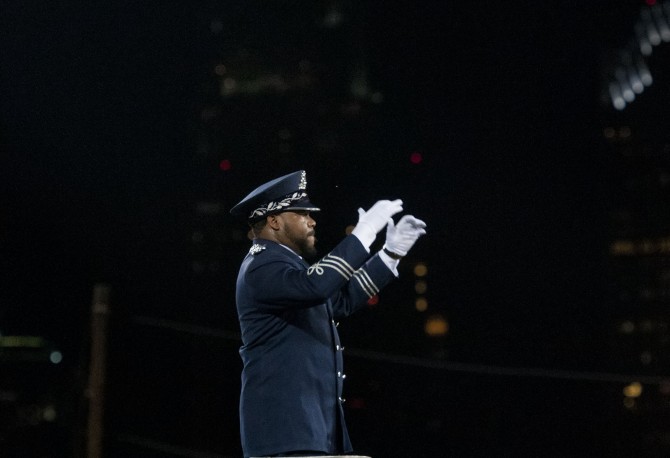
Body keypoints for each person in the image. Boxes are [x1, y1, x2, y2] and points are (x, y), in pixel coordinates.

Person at [230, 170, 426, 458]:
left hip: (310, 432)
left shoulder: (287, 267)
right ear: (274, 221)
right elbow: (317, 287)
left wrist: (390, 254)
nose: (312, 221)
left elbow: (340, 300)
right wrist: (364, 233)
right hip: (284, 435)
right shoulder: (261, 266)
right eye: (302, 214)